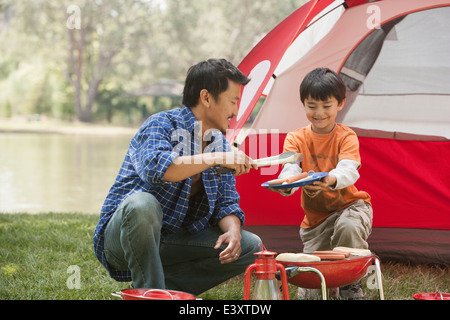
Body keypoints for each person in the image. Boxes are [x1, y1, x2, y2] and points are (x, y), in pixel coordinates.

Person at [93, 59, 262, 295]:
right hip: (124, 239)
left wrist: (233, 231)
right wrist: (215, 158)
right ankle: (153, 292)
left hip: (172, 241)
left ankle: (156, 290)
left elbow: (226, 203)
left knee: (251, 246)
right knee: (143, 204)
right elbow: (158, 169)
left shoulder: (219, 143)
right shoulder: (160, 124)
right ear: (206, 97)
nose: (236, 111)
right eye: (233, 101)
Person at [268, 68, 372, 299]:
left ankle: (351, 283)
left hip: (350, 208)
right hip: (315, 222)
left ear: (340, 104)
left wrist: (330, 179)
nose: (319, 113)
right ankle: (331, 285)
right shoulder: (295, 138)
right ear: (303, 104)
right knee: (310, 292)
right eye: (312, 105)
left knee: (348, 227)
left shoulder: (346, 136)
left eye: (327, 106)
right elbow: (291, 169)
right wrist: (286, 185)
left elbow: (348, 169)